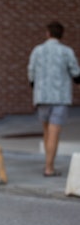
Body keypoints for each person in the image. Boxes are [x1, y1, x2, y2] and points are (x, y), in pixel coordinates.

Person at [27, 21, 80, 177]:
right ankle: (49, 168)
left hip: (42, 97)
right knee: (54, 133)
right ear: (61, 35)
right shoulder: (66, 51)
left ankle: (47, 163)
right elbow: (76, 73)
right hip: (60, 97)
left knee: (46, 131)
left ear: (47, 33)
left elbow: (31, 71)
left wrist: (36, 88)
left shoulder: (37, 50)